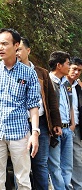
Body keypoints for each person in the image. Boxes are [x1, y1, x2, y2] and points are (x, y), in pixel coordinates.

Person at [0, 28, 40, 189]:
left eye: (5, 44)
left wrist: (35, 133)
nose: (0, 48)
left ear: (16, 45)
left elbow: (33, 106)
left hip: (20, 132)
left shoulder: (29, 73)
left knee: (23, 180)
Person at [16, 38, 62, 190]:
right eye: (14, 49)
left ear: (28, 51)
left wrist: (56, 123)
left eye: (20, 49)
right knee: (20, 165)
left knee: (40, 164)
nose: (17, 52)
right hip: (18, 124)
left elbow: (51, 99)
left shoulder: (41, 73)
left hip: (41, 123)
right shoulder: (10, 72)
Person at [47, 51, 74, 190]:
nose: (69, 66)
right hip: (55, 130)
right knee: (55, 165)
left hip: (67, 129)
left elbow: (70, 105)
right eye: (68, 63)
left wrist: (71, 125)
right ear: (59, 65)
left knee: (67, 165)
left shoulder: (66, 83)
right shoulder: (48, 81)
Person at [66, 57, 82, 189]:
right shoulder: (61, 83)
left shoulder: (78, 86)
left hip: (76, 128)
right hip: (63, 127)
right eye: (74, 69)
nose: (76, 72)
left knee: (77, 160)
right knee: (63, 160)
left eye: (79, 70)